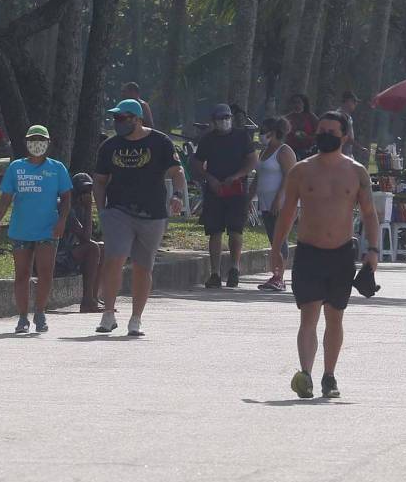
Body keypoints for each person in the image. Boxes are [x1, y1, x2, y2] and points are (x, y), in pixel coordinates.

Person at [270, 111, 379, 399]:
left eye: (332, 131)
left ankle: (329, 376)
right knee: (309, 316)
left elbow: (369, 214)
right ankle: (305, 374)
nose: (326, 135)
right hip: (308, 253)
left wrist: (373, 252)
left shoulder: (357, 172)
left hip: (341, 254)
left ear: (345, 136)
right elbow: (288, 212)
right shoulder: (301, 171)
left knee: (335, 317)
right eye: (322, 130)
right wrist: (276, 248)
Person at [93, 99, 186, 337]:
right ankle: (108, 314)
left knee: (143, 267)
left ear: (137, 119)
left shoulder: (160, 142)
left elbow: (177, 172)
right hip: (117, 210)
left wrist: (177, 196)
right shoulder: (109, 146)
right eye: (116, 119)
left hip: (152, 212)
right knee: (115, 257)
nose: (118, 123)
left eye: (123, 119)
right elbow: (100, 180)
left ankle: (136, 319)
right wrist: (101, 209)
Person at [0, 125, 72, 333]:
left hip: (48, 229)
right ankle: (22, 317)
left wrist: (62, 220)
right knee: (22, 274)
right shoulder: (16, 168)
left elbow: (66, 197)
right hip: (21, 229)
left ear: (48, 143)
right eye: (33, 139)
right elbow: (6, 196)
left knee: (46, 272)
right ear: (26, 142)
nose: (37, 143)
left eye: (41, 139)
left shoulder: (57, 168)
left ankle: (40, 312)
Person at [193, 103, 258, 289]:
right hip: (215, 190)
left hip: (237, 190)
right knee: (214, 231)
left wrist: (237, 176)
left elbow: (252, 160)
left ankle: (234, 269)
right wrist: (209, 178)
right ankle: (215, 273)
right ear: (214, 121)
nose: (224, 121)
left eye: (227, 117)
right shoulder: (208, 140)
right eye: (221, 118)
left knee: (236, 230)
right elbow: (197, 164)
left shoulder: (241, 137)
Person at [255, 117, 297, 292]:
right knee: (273, 239)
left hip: (282, 203)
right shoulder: (264, 152)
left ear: (274, 132)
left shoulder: (284, 151)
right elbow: (259, 175)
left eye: (264, 130)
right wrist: (250, 196)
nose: (261, 134)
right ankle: (275, 275)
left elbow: (290, 176)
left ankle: (280, 277)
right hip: (265, 202)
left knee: (280, 240)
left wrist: (279, 198)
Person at [55, 173, 105, 312]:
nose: (86, 195)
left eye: (89, 191)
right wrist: (89, 208)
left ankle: (94, 297)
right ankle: (87, 301)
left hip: (68, 255)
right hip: (56, 259)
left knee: (102, 248)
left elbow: (89, 235)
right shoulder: (64, 207)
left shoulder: (79, 206)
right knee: (92, 248)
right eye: (83, 191)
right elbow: (86, 238)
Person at [284, 94, 318, 160]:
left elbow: (319, 135)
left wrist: (307, 137)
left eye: (299, 102)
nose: (296, 105)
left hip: (308, 152)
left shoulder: (311, 117)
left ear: (304, 104)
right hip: (290, 150)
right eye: (294, 102)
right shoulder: (287, 118)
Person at [336, 90, 364, 159]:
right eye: (354, 102)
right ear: (348, 101)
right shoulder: (340, 115)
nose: (355, 105)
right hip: (341, 155)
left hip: (346, 154)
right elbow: (346, 137)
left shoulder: (348, 116)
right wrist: (360, 147)